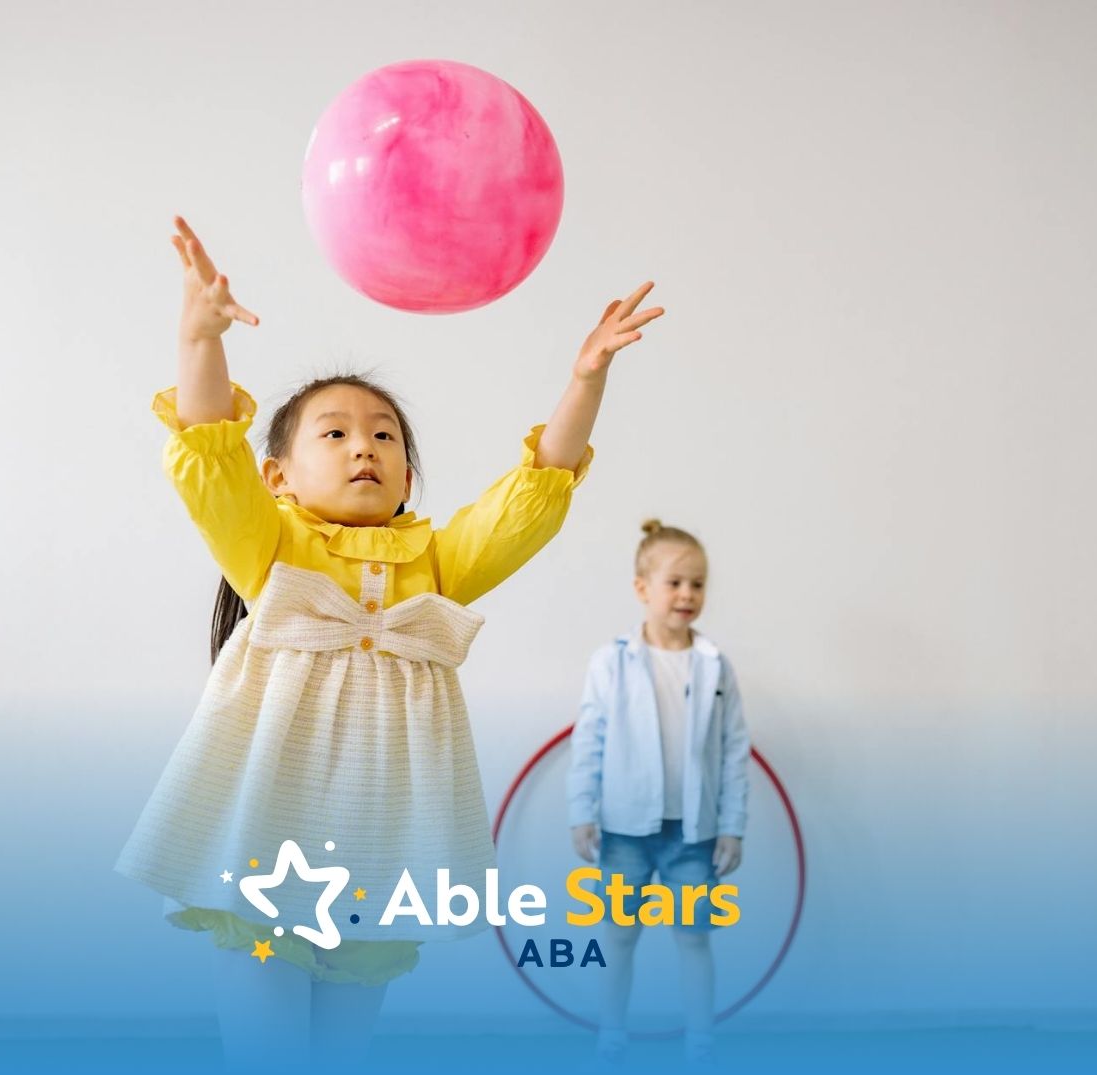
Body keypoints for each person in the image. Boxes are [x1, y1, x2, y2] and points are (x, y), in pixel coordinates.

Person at [115, 216, 665, 1069]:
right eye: (332, 433)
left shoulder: (435, 564)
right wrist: (199, 339)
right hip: (269, 839)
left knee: (343, 1047)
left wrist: (584, 378)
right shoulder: (269, 548)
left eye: (383, 436)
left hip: (375, 848)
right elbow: (211, 452)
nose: (362, 446)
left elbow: (531, 496)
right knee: (267, 1048)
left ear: (408, 475)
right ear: (280, 476)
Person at [567, 520, 751, 1070]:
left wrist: (733, 824)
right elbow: (589, 739)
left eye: (698, 584)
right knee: (618, 936)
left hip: (693, 835)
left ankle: (700, 1041)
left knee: (694, 937)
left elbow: (734, 749)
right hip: (625, 831)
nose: (688, 595)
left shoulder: (716, 665)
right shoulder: (612, 662)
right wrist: (583, 813)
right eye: (675, 583)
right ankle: (611, 1034)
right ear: (642, 588)